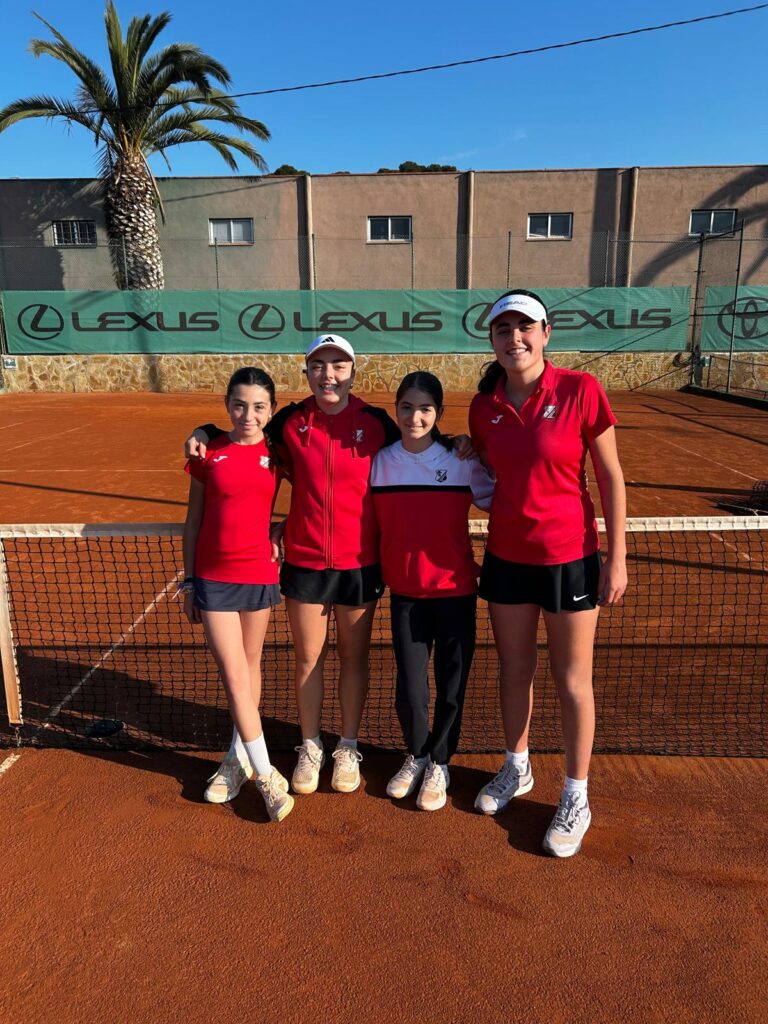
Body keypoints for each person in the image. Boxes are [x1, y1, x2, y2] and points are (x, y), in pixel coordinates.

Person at [185, 335, 400, 797]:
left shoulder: (377, 422)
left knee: (353, 657)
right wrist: (203, 430)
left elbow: (421, 441)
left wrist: (458, 443)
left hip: (361, 562)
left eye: (338, 365)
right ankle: (309, 745)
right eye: (318, 365)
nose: (329, 374)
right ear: (307, 373)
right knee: (308, 658)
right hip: (303, 560)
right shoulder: (290, 420)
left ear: (352, 372)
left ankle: (346, 746)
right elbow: (241, 435)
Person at [469, 290, 627, 857]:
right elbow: (489, 468)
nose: (514, 339)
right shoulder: (483, 407)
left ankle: (576, 793)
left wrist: (617, 557)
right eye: (503, 330)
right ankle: (518, 768)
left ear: (545, 332)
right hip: (508, 559)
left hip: (571, 558)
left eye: (524, 327)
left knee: (572, 681)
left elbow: (610, 476)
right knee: (514, 670)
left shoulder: (581, 390)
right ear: (492, 340)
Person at [371, 372, 494, 811]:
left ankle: (440, 762)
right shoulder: (380, 461)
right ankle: (417, 753)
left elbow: (499, 497)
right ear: (396, 409)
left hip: (455, 590)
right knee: (410, 687)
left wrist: (482, 449)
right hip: (405, 594)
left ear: (439, 413)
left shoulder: (461, 460)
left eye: (425, 409)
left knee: (451, 684)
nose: (415, 416)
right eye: (406, 407)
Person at [182, 366, 294, 822]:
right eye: (240, 405)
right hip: (213, 577)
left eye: (259, 406)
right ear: (228, 405)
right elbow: (193, 521)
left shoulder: (278, 453)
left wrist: (285, 527)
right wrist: (189, 580)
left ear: (271, 410)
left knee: (250, 666)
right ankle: (267, 775)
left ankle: (236, 758)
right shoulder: (207, 451)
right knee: (233, 674)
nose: (248, 414)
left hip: (260, 572)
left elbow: (311, 499)